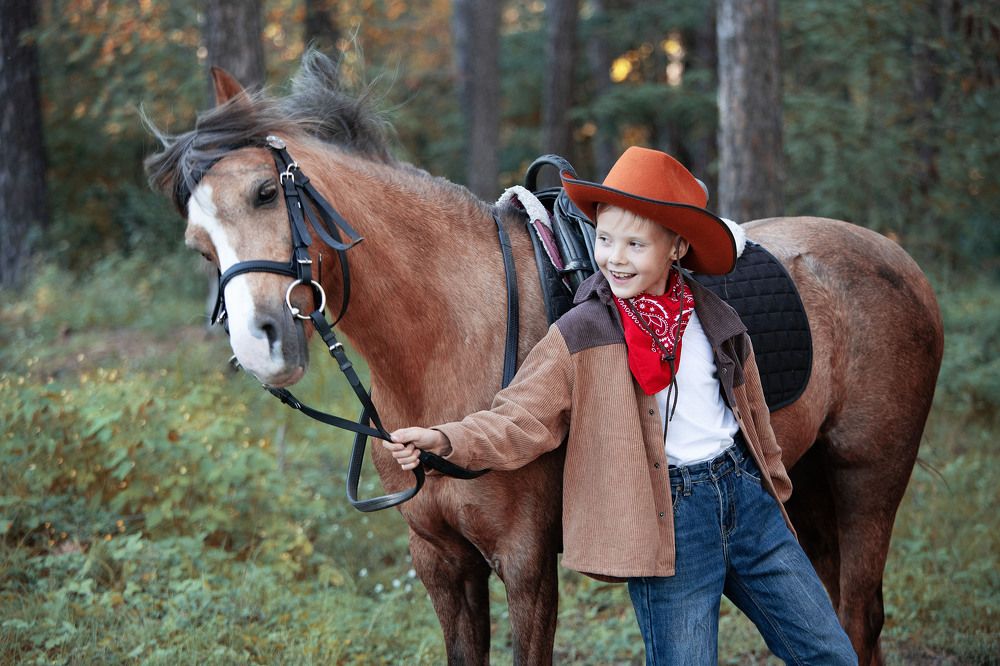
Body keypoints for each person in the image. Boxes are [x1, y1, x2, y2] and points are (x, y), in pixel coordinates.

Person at [382, 146, 857, 665]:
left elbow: (749, 404)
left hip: (747, 505)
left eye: (635, 244)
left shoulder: (712, 314)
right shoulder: (585, 332)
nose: (615, 257)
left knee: (830, 654)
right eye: (605, 240)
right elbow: (520, 417)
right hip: (671, 525)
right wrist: (449, 440)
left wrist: (768, 475)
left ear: (675, 248)